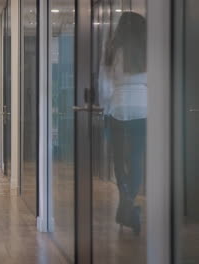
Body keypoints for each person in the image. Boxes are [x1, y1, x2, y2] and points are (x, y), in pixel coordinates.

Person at [104, 12, 147, 235]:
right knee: (137, 158)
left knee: (119, 160)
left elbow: (104, 85)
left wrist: (105, 105)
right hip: (143, 108)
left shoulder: (113, 51)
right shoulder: (147, 52)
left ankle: (125, 201)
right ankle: (128, 203)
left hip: (118, 107)